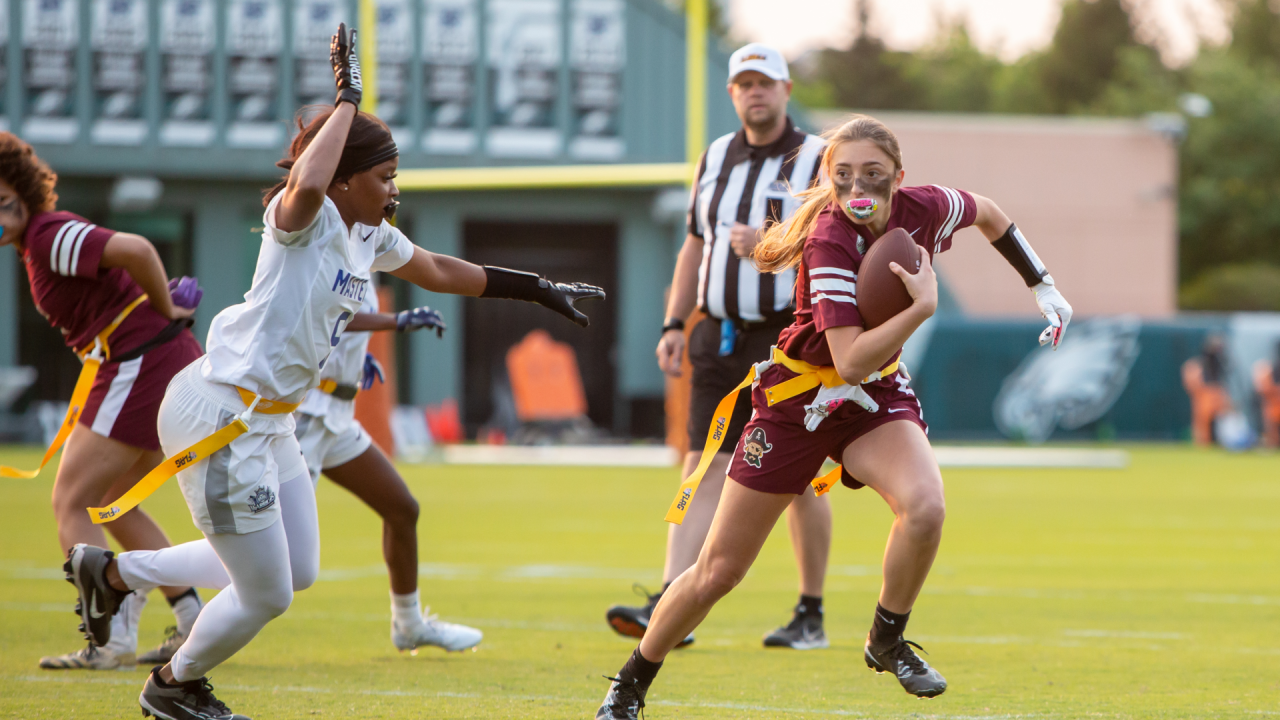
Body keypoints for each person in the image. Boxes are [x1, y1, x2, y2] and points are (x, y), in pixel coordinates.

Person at [62, 25, 602, 720]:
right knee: (267, 594)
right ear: (344, 177)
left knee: (298, 568)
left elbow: (438, 270)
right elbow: (307, 181)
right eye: (382, 177)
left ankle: (110, 573)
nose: (393, 190)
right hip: (223, 413)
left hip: (272, 420)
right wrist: (347, 97)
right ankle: (174, 685)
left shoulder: (369, 234)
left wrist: (532, 286)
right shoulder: (302, 218)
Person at [595, 114, 1073, 718]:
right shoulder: (828, 240)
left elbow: (989, 212)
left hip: (872, 399)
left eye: (873, 174)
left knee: (925, 507)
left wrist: (1044, 285)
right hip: (798, 403)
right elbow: (847, 360)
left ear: (900, 178)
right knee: (717, 571)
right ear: (828, 177)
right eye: (842, 175)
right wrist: (922, 307)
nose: (857, 189)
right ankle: (631, 682)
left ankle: (887, 638)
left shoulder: (923, 208)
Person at [607, 43, 832, 651]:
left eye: (766, 82)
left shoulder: (817, 159)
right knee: (699, 462)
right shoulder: (713, 158)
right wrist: (674, 323)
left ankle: (809, 612)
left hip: (789, 336)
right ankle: (669, 599)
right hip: (718, 334)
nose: (755, 92)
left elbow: (837, 239)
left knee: (803, 476)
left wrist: (769, 240)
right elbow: (693, 245)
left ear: (786, 89)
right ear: (732, 93)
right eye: (744, 84)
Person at [0, 132, 207, 670]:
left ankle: (109, 637)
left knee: (71, 502)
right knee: (111, 499)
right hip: (153, 359)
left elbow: (137, 249)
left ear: (19, 187)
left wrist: (168, 308)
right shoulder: (36, 241)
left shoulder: (46, 235)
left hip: (140, 362)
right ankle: (190, 620)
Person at [293, 290, 482, 652]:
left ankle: (409, 624)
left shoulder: (365, 252)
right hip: (306, 415)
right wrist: (396, 321)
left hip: (338, 418)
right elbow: (324, 314)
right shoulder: (324, 245)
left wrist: (351, 364)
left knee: (401, 508)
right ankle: (177, 596)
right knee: (273, 555)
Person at [1182, 335, 1231, 446]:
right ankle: (1203, 443)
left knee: (1223, 418)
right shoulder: (1201, 362)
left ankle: (1224, 441)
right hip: (1205, 392)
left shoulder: (1219, 361)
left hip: (1216, 390)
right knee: (1203, 420)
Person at [1252, 341, 1280, 448]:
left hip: (1273, 404)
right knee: (1271, 426)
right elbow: (1262, 389)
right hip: (1272, 404)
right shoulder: (1267, 368)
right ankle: (1272, 443)